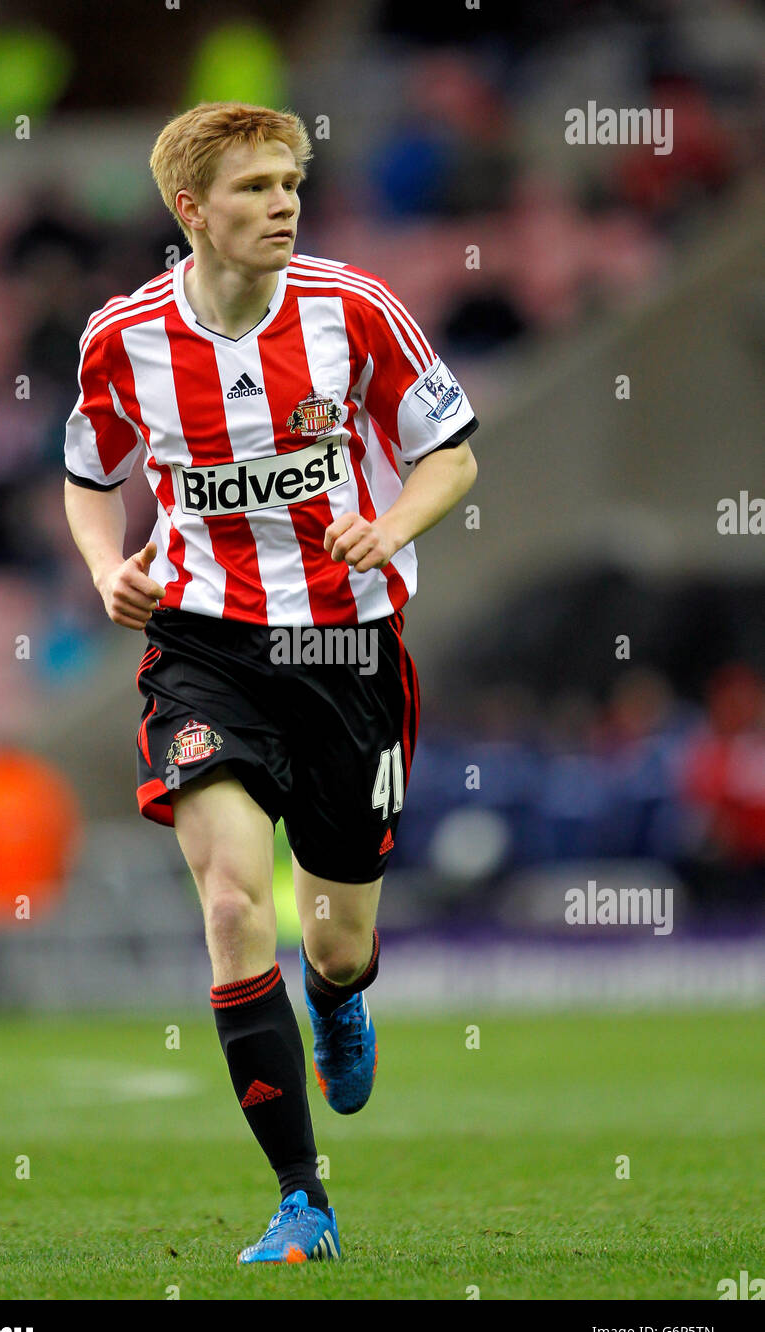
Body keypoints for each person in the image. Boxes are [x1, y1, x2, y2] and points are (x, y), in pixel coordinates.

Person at [63, 102, 479, 1264]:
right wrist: (108, 568)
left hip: (347, 647)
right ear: (190, 211)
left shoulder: (355, 310)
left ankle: (340, 1000)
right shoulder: (123, 337)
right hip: (206, 649)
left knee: (335, 942)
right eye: (253, 188)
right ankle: (304, 1201)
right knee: (236, 905)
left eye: (291, 183)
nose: (282, 204)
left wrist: (387, 520)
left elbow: (452, 451)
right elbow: (89, 474)